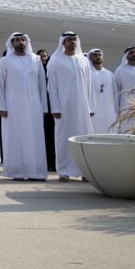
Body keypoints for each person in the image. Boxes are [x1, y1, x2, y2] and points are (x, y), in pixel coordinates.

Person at [0, 33, 48, 181]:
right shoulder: (4, 61)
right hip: (13, 107)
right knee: (16, 138)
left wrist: (44, 107)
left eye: (23, 40)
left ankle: (36, 172)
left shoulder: (36, 60)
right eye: (17, 40)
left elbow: (42, 85)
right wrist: (1, 106)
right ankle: (17, 171)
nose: (21, 42)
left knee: (34, 138)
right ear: (12, 43)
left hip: (34, 106)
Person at [47, 32, 95, 182]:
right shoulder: (55, 60)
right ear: (63, 42)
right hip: (64, 108)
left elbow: (89, 85)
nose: (72, 42)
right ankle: (64, 171)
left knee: (84, 138)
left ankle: (84, 171)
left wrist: (90, 107)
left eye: (74, 39)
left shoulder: (84, 61)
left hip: (82, 107)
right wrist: (55, 108)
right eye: (69, 40)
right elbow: (52, 87)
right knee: (63, 139)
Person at [87, 49, 117, 133]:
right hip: (93, 111)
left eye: (99, 55)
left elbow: (115, 94)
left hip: (109, 109)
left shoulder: (110, 74)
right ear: (90, 58)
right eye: (95, 55)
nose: (98, 57)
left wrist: (116, 110)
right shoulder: (87, 74)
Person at [36, 49, 57, 172]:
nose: (43, 58)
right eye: (41, 56)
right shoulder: (37, 71)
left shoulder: (51, 70)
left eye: (45, 56)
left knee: (53, 137)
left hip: (53, 110)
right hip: (41, 110)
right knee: (44, 138)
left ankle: (53, 163)